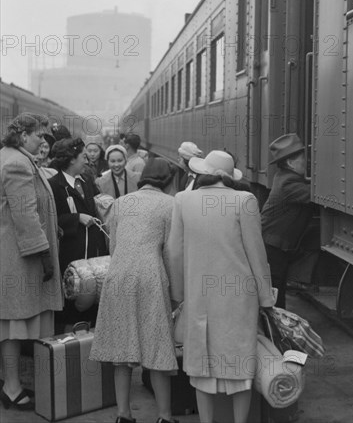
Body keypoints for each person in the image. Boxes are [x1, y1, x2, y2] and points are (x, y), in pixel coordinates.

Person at [167, 150, 275, 423]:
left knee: (201, 371)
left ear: (204, 173)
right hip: (238, 300)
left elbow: (174, 253)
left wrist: (179, 295)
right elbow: (256, 255)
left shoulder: (183, 200)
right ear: (230, 177)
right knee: (239, 370)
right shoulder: (245, 200)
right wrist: (266, 299)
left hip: (198, 297)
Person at [90, 158, 178, 423]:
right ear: (167, 180)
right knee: (158, 347)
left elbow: (113, 244)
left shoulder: (121, 202)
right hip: (151, 275)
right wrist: (175, 294)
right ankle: (164, 416)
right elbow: (171, 252)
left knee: (122, 348)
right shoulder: (171, 204)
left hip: (118, 275)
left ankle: (123, 415)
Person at [0, 113, 63, 411]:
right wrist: (43, 253)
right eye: (40, 135)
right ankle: (11, 388)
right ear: (23, 135)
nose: (44, 141)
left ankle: (12, 384)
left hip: (16, 253)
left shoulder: (15, 157)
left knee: (15, 321)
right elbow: (25, 215)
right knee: (14, 323)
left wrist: (53, 227)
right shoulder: (16, 163)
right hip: (20, 258)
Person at [48, 138, 108, 328]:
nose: (87, 160)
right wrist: (75, 218)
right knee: (74, 292)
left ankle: (89, 340)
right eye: (83, 156)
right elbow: (50, 218)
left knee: (93, 293)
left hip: (92, 250)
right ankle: (69, 341)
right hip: (70, 252)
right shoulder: (53, 185)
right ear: (72, 159)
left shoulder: (87, 180)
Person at [261, 133, 315, 309]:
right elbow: (314, 195)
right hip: (273, 247)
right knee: (275, 292)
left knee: (277, 290)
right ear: (290, 162)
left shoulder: (284, 176)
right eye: (303, 158)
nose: (307, 162)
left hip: (274, 245)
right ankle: (273, 331)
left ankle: (275, 330)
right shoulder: (289, 182)